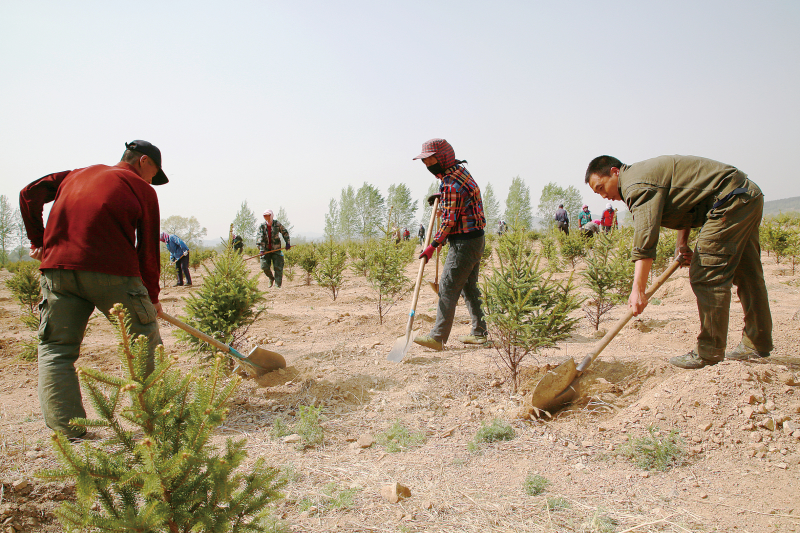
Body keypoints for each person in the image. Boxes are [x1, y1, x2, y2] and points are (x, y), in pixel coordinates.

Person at [19, 140, 167, 440]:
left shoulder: (75, 175)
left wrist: (40, 242)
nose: (154, 181)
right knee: (143, 344)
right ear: (143, 162)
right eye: (155, 173)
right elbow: (148, 249)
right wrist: (151, 298)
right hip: (112, 272)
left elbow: (28, 193)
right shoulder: (141, 188)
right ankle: (153, 422)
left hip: (57, 271)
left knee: (56, 349)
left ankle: (68, 431)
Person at [585, 154, 773, 369]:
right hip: (745, 195)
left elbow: (645, 241)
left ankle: (708, 352)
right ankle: (757, 344)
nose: (603, 196)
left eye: (601, 187)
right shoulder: (642, 176)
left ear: (614, 172)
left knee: (706, 273)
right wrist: (682, 243)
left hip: (729, 201)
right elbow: (689, 202)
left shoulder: (635, 185)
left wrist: (638, 289)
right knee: (748, 273)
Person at [412, 138, 488, 350]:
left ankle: (438, 337)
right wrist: (443, 201)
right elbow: (461, 206)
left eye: (430, 160)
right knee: (469, 287)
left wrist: (433, 245)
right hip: (476, 238)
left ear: (443, 158)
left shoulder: (450, 184)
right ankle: (480, 333)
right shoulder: (459, 172)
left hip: (464, 242)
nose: (427, 165)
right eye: (424, 162)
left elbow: (449, 222)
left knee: (447, 286)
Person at [257, 209, 291, 287]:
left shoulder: (277, 224)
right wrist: (261, 249)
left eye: (268, 215)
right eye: (265, 216)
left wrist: (287, 243)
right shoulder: (262, 226)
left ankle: (277, 285)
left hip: (276, 249)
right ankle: (271, 278)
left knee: (278, 268)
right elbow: (259, 238)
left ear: (271, 215)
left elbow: (285, 232)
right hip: (265, 250)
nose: (267, 217)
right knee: (264, 266)